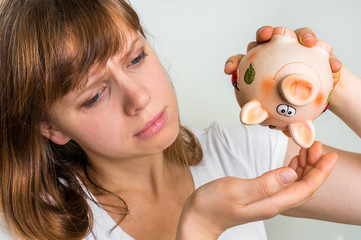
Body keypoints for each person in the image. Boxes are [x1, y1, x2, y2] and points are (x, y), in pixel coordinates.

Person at [0, 1, 359, 240]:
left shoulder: (241, 153)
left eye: (137, 58)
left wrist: (326, 80)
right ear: (52, 128)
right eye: (94, 95)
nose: (139, 98)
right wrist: (201, 226)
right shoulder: (39, 229)